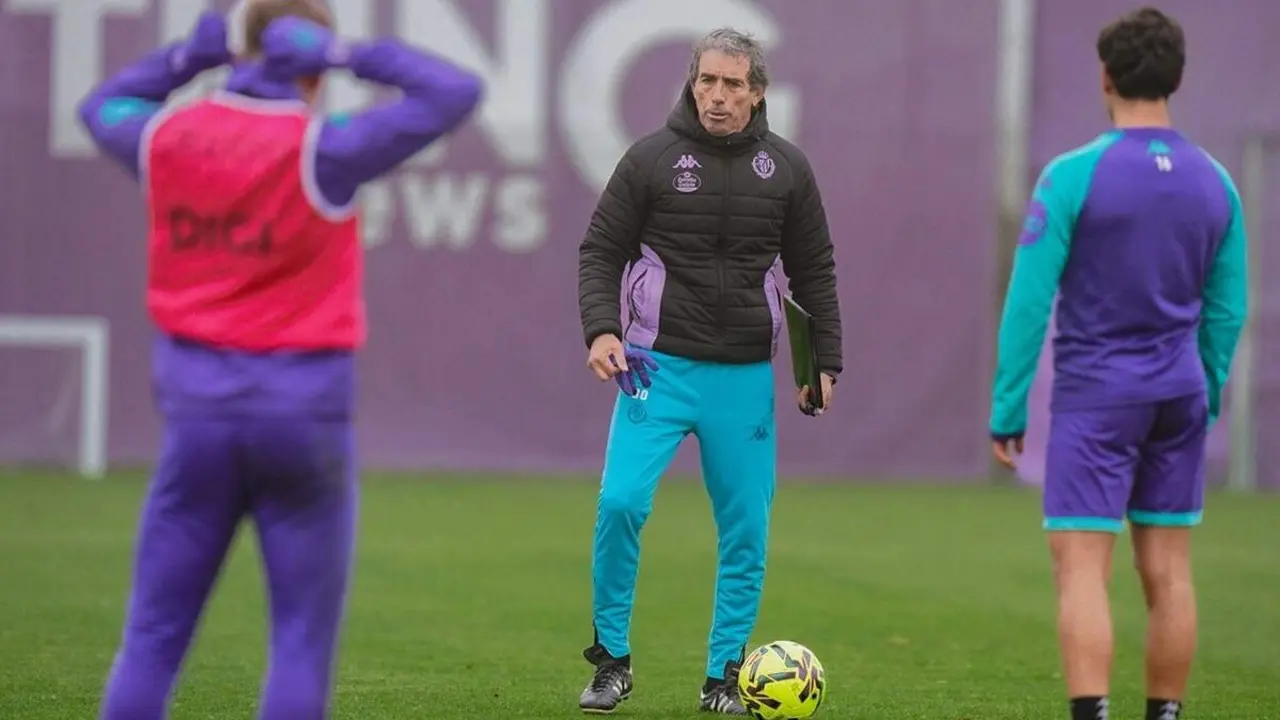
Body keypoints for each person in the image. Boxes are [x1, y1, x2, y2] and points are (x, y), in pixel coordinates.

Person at [77, 2, 482, 718]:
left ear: (238, 51)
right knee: (299, 643)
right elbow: (454, 92)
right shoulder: (323, 148)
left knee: (152, 638)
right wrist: (347, 52)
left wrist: (190, 57)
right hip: (303, 418)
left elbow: (100, 106)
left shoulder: (166, 136)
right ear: (310, 66)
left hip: (196, 418)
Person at [988, 8, 1247, 720]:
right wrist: (1207, 393)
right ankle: (1164, 714)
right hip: (1178, 395)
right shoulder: (1215, 181)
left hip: (1097, 398)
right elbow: (1227, 311)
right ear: (1178, 78)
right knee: (1168, 572)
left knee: (1082, 569)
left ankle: (1092, 712)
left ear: (1105, 76)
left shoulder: (1072, 176)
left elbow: (1028, 303)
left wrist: (1008, 410)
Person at [575, 27, 842, 716]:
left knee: (746, 528)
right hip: (652, 368)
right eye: (706, 82)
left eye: (732, 85)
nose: (717, 97)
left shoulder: (786, 169)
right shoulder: (650, 159)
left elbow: (814, 271)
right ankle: (610, 661)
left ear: (757, 93)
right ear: (692, 84)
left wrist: (823, 363)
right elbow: (600, 250)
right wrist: (602, 330)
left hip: (744, 376)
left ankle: (725, 676)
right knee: (620, 504)